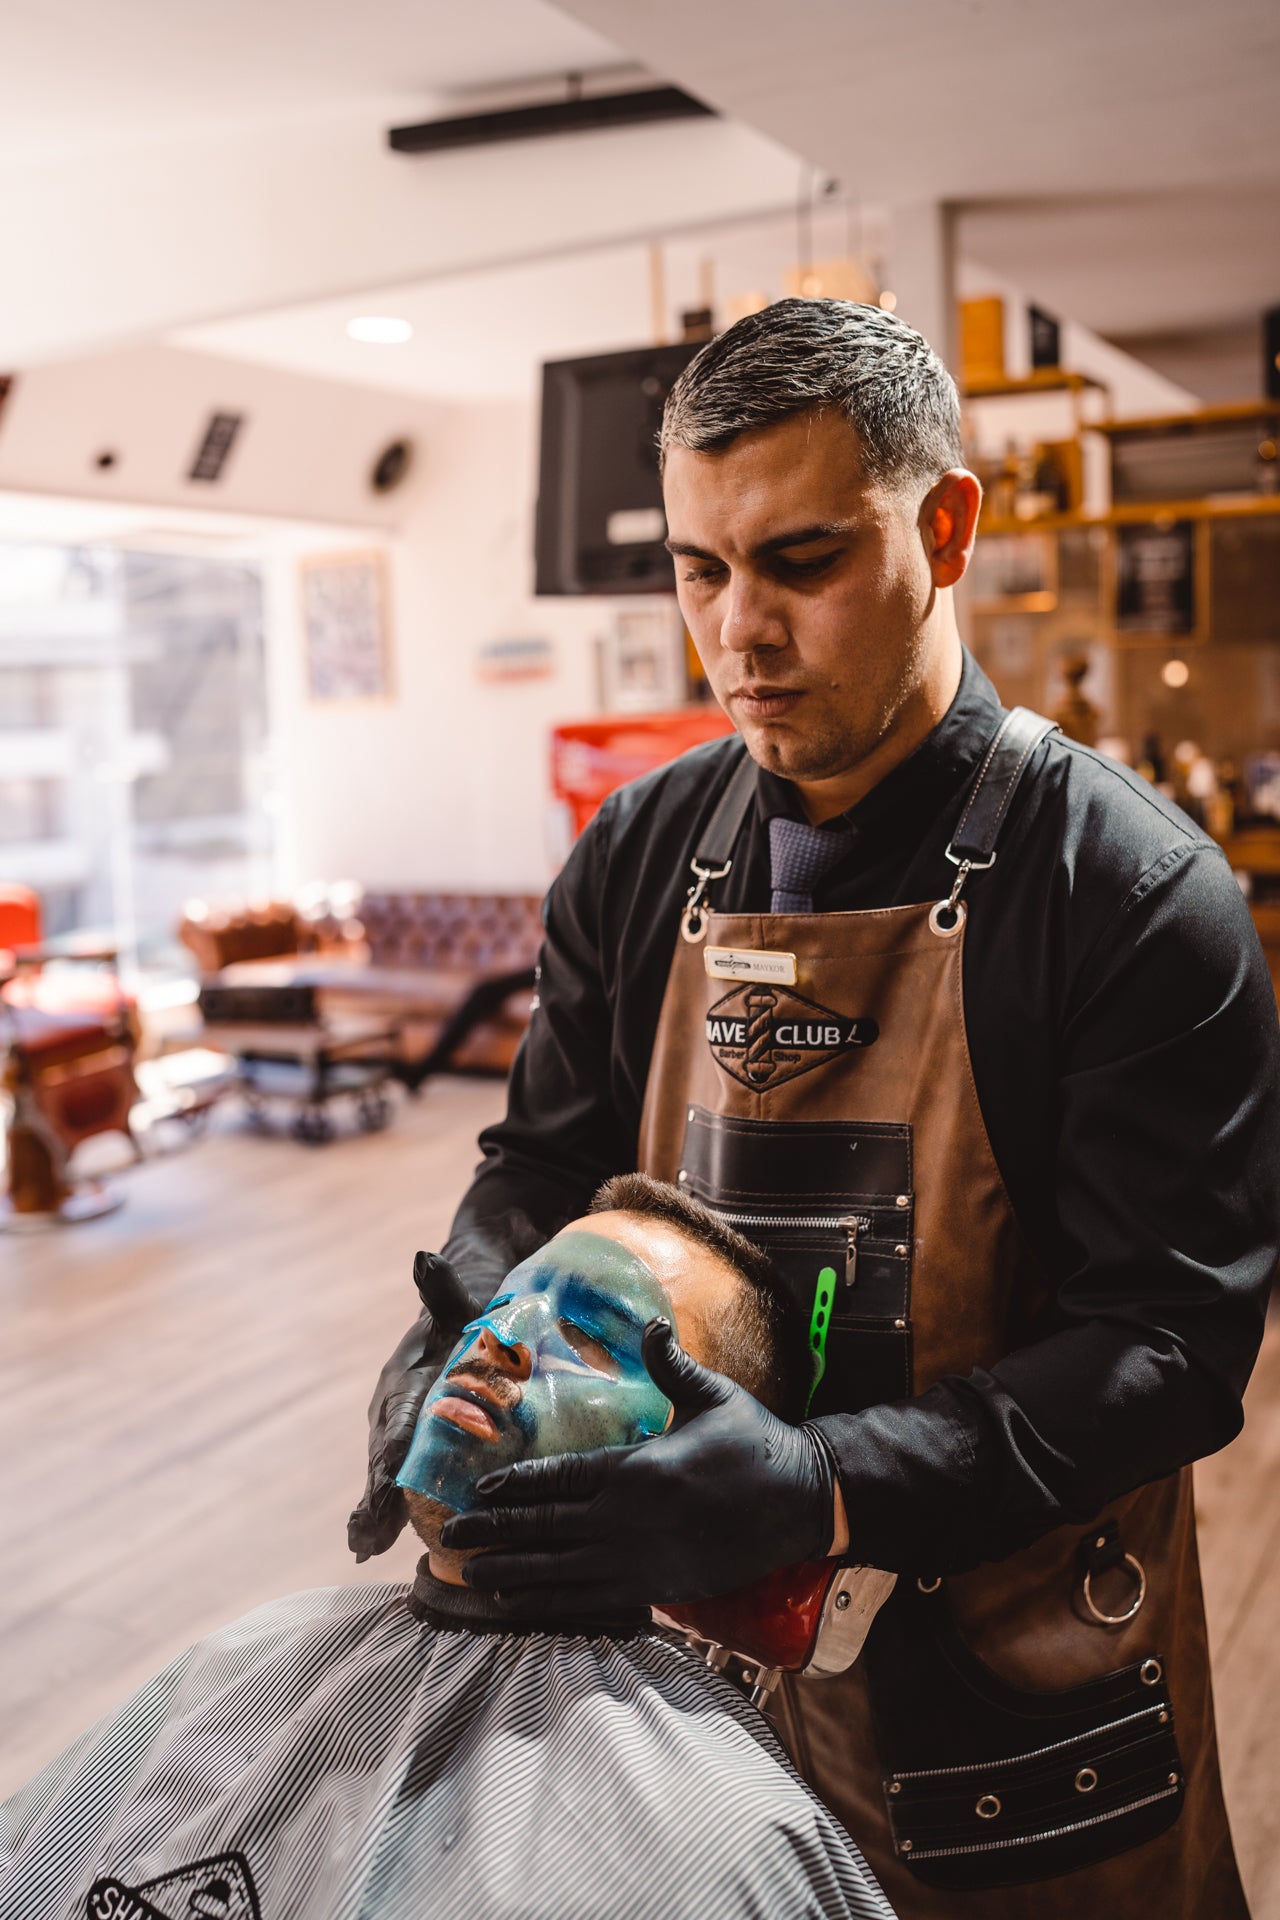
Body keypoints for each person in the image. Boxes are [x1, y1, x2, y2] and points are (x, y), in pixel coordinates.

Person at [350, 299, 1280, 1917]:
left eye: (800, 562)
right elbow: (543, 1164)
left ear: (948, 527)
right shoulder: (640, 859)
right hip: (675, 1698)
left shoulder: (1127, 894)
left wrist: (822, 1487)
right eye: (701, 571)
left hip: (1017, 1720)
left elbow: (1168, 1344)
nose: (739, 634)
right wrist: (452, 1325)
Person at [0, 1179, 894, 1920]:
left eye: (585, 1335)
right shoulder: (243, 1664)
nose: (495, 1338)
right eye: (503, 1302)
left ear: (703, 1455)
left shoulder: (722, 1841)